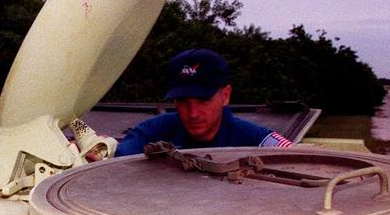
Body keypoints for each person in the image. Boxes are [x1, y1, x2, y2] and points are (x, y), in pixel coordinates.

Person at [114, 48, 293, 156]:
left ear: (225, 96)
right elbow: (121, 163)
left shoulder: (256, 140)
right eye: (182, 101)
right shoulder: (152, 132)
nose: (192, 113)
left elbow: (302, 158)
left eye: (203, 100)